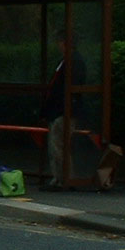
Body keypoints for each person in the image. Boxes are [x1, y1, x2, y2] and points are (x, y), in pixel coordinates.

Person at [40, 28, 86, 190]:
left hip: (64, 111)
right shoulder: (67, 60)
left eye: (60, 42)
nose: (58, 45)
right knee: (56, 146)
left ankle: (64, 178)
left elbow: (66, 87)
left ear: (66, 43)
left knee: (58, 146)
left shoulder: (73, 62)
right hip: (59, 111)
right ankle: (59, 177)